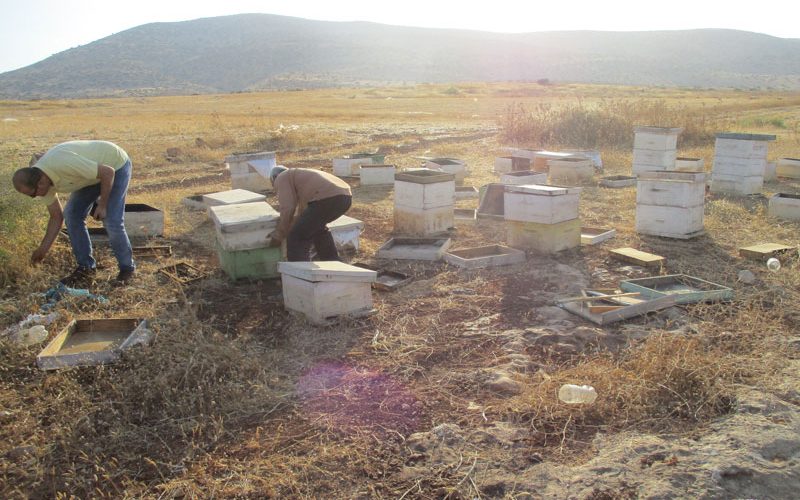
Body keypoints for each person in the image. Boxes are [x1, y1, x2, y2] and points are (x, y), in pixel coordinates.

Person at [12, 140, 136, 287]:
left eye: (33, 194)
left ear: (40, 183)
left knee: (111, 220)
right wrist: (41, 251)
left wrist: (102, 204)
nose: (35, 197)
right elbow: (56, 218)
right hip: (90, 175)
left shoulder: (61, 164)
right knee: (72, 215)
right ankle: (86, 268)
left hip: (115, 165)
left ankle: (127, 269)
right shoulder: (41, 183)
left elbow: (107, 172)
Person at [268, 166, 353, 262]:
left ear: (274, 178)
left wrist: (279, 234)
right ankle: (333, 263)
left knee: (296, 237)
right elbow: (304, 215)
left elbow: (287, 207)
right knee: (316, 229)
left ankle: (299, 272)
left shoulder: (282, 177)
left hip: (327, 198)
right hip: (345, 198)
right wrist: (292, 225)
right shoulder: (301, 178)